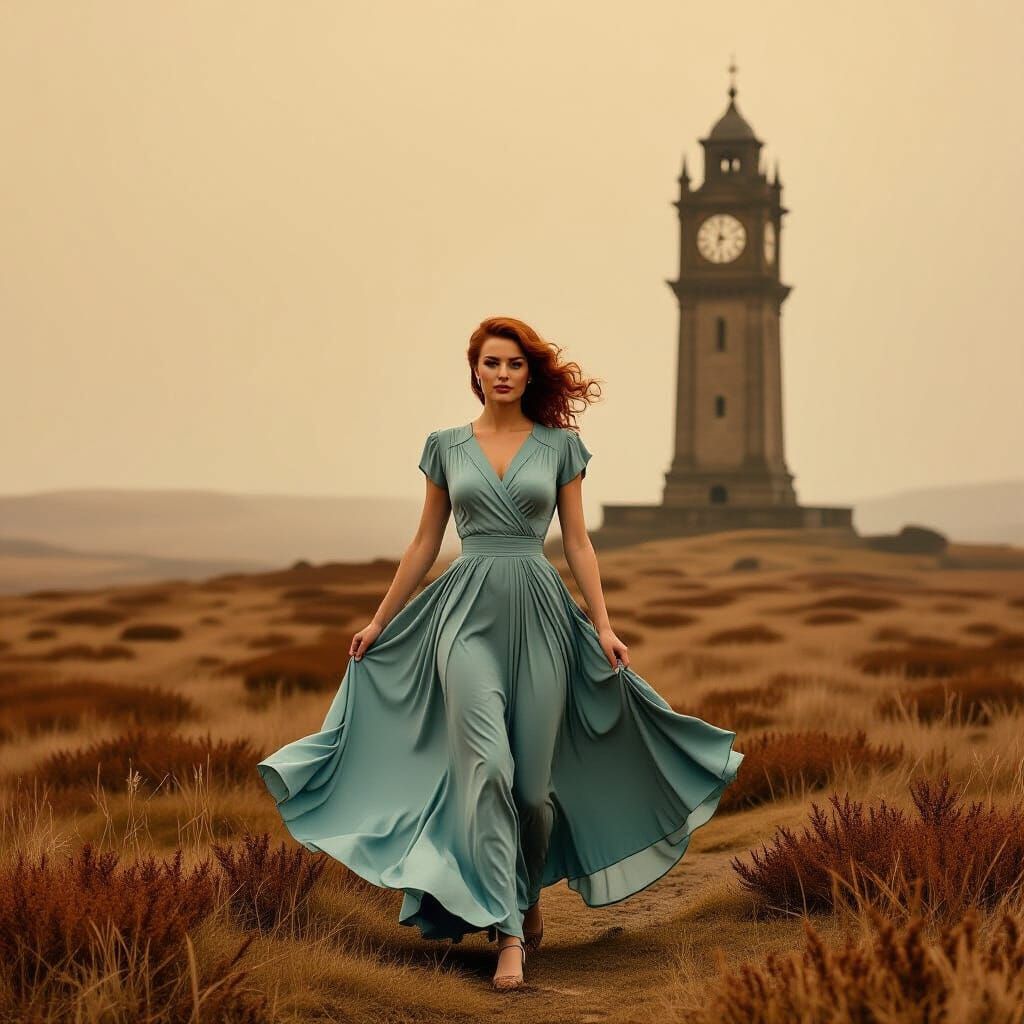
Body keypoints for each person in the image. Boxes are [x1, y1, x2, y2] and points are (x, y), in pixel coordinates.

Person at [257, 316, 744, 991]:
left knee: (533, 795)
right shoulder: (445, 446)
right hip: (464, 621)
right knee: (486, 769)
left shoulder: (561, 448)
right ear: (476, 371)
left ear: (528, 372)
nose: (504, 373)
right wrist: (379, 619)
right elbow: (425, 542)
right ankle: (509, 934)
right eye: (492, 362)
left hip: (542, 616)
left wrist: (603, 625)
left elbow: (579, 543)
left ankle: (526, 887)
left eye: (515, 363)